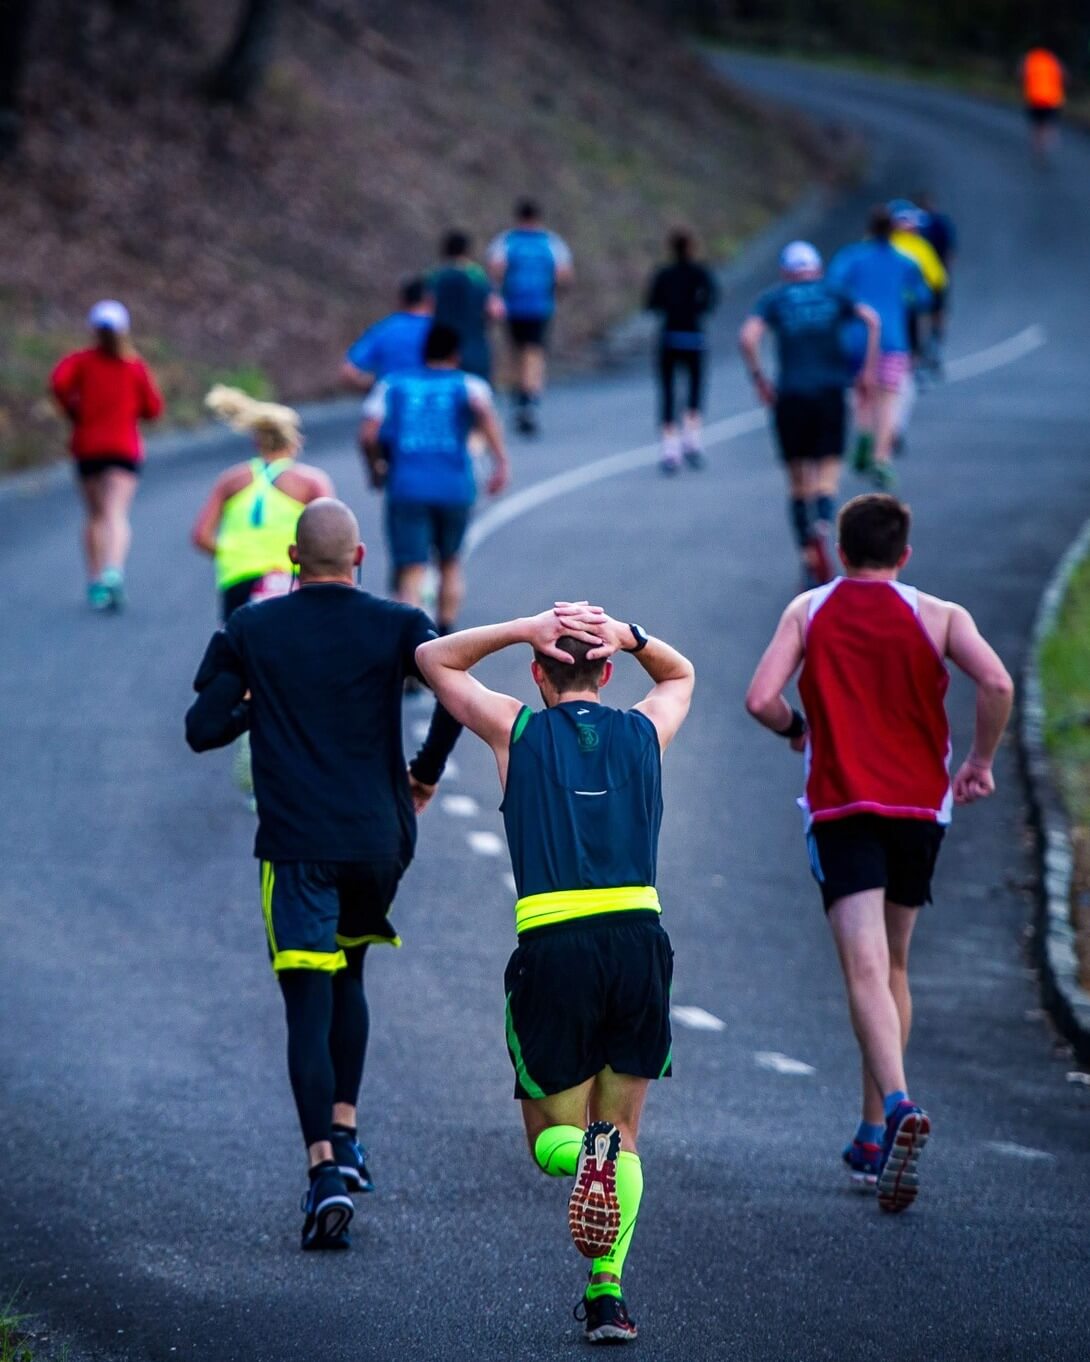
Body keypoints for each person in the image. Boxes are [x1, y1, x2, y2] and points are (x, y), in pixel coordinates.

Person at [185, 498, 462, 1250]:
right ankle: (348, 1131)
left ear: (293, 561)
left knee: (306, 1003)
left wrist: (258, 705)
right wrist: (425, 773)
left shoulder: (253, 627)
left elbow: (202, 729)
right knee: (351, 975)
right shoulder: (399, 624)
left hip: (299, 845)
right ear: (361, 558)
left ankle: (323, 1173)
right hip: (378, 839)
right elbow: (456, 695)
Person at [416, 602, 694, 1345]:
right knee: (624, 1132)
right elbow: (681, 672)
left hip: (556, 945)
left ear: (539, 671)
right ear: (606, 672)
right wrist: (633, 636)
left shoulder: (519, 728)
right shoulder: (643, 731)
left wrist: (520, 626)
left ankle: (586, 1157)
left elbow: (432, 659)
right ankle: (608, 1295)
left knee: (551, 1141)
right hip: (639, 940)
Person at [744, 494, 1013, 1213]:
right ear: (904, 556)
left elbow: (760, 699)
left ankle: (895, 1106)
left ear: (839, 549)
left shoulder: (809, 611)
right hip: (922, 808)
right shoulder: (941, 615)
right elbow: (997, 681)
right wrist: (981, 761)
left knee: (863, 967)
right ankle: (871, 1136)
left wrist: (798, 729)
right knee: (892, 966)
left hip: (842, 806)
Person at [739, 241, 879, 587]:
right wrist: (866, 370)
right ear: (816, 269)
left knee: (798, 478)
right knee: (829, 468)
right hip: (830, 391)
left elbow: (748, 337)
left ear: (787, 272)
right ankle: (824, 519)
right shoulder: (834, 293)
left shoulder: (776, 298)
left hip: (791, 395)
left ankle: (807, 552)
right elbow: (871, 320)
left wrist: (759, 378)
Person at [359, 322, 509, 635]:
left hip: (407, 487)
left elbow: (368, 433)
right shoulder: (469, 385)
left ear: (423, 352)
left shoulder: (392, 385)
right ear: (455, 354)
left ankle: (414, 644)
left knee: (411, 568)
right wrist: (500, 463)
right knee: (450, 562)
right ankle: (446, 632)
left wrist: (376, 468)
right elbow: (484, 414)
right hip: (454, 486)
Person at [50, 300, 164, 611]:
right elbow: (154, 408)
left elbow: (58, 383)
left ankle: (96, 581)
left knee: (95, 516)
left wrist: (73, 409)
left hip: (88, 447)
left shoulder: (81, 362)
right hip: (123, 448)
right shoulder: (134, 366)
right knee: (116, 513)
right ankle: (114, 571)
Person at [191, 386, 334, 620]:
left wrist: (233, 554)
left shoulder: (231, 480)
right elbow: (330, 535)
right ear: (295, 440)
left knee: (241, 650)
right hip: (289, 577)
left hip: (237, 577)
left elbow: (201, 536)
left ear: (257, 441)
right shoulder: (310, 482)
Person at [828, 207, 929, 490]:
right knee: (888, 399)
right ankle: (882, 458)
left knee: (862, 392)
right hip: (892, 338)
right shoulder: (905, 262)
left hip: (855, 338)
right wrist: (900, 299)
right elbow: (922, 298)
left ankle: (863, 434)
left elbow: (832, 289)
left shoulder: (850, 257)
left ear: (869, 229)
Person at [487, 200, 574, 435]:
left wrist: (499, 292)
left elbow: (495, 269)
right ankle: (529, 398)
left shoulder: (507, 241)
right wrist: (555, 294)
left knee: (516, 351)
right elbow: (564, 274)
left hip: (513, 306)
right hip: (540, 306)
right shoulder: (551, 242)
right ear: (538, 218)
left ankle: (519, 394)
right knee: (534, 353)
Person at [645, 228, 719, 474]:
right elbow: (711, 300)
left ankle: (670, 449)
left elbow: (651, 304)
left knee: (667, 391)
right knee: (694, 388)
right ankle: (692, 440)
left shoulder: (664, 274)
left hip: (669, 337)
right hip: (694, 337)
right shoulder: (701, 274)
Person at [888, 200, 948, 404]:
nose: (915, 227)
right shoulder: (917, 246)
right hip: (904, 305)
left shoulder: (881, 242)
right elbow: (938, 278)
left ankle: (909, 370)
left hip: (897, 306)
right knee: (911, 338)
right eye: (910, 222)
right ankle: (911, 372)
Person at [426, 230, 504, 382]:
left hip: (441, 351)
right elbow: (496, 310)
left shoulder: (434, 276)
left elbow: (425, 308)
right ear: (467, 251)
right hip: (474, 348)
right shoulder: (477, 276)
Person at [340, 278, 432, 394]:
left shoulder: (385, 329)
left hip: (392, 405)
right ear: (430, 300)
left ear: (402, 301)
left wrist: (378, 387)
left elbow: (349, 372)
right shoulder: (441, 332)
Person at [915, 191, 957, 374]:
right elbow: (950, 252)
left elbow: (949, 251)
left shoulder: (923, 224)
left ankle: (930, 350)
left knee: (929, 314)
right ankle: (932, 349)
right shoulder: (936, 223)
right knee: (933, 314)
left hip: (927, 276)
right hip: (932, 276)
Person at [1020, 47, 1065, 161]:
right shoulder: (1053, 60)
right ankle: (1048, 140)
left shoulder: (1031, 59)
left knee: (1037, 125)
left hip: (1034, 98)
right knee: (1047, 124)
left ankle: (1038, 148)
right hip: (1052, 99)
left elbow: (1022, 74)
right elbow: (1064, 76)